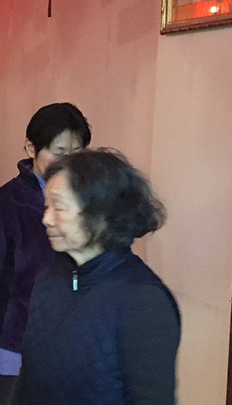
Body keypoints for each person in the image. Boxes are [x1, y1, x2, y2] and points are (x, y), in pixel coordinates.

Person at [16, 149, 180, 404]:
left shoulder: (143, 299)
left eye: (59, 207)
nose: (46, 219)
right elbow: (28, 380)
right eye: (47, 206)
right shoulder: (49, 279)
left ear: (101, 212)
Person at [0, 103, 91, 405]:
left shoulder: (91, 203)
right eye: (59, 151)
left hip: (73, 351)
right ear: (31, 148)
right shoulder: (3, 206)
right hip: (13, 353)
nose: (68, 162)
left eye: (76, 152)